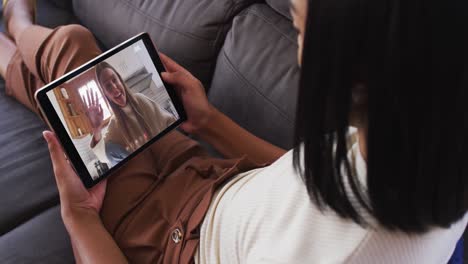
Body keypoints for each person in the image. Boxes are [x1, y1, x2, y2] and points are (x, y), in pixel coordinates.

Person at [0, 0, 466, 263]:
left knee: (73, 49)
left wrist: (79, 217)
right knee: (76, 90)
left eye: (299, 30)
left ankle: (16, 25)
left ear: (354, 71)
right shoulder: (424, 143)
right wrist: (210, 123)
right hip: (212, 179)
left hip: (166, 238)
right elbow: (304, 182)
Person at [83, 61, 176, 165]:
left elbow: (169, 121)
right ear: (106, 95)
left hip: (170, 154)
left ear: (120, 80)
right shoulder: (114, 124)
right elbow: (105, 156)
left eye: (114, 80)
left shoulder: (141, 99)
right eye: (108, 86)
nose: (114, 87)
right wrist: (96, 129)